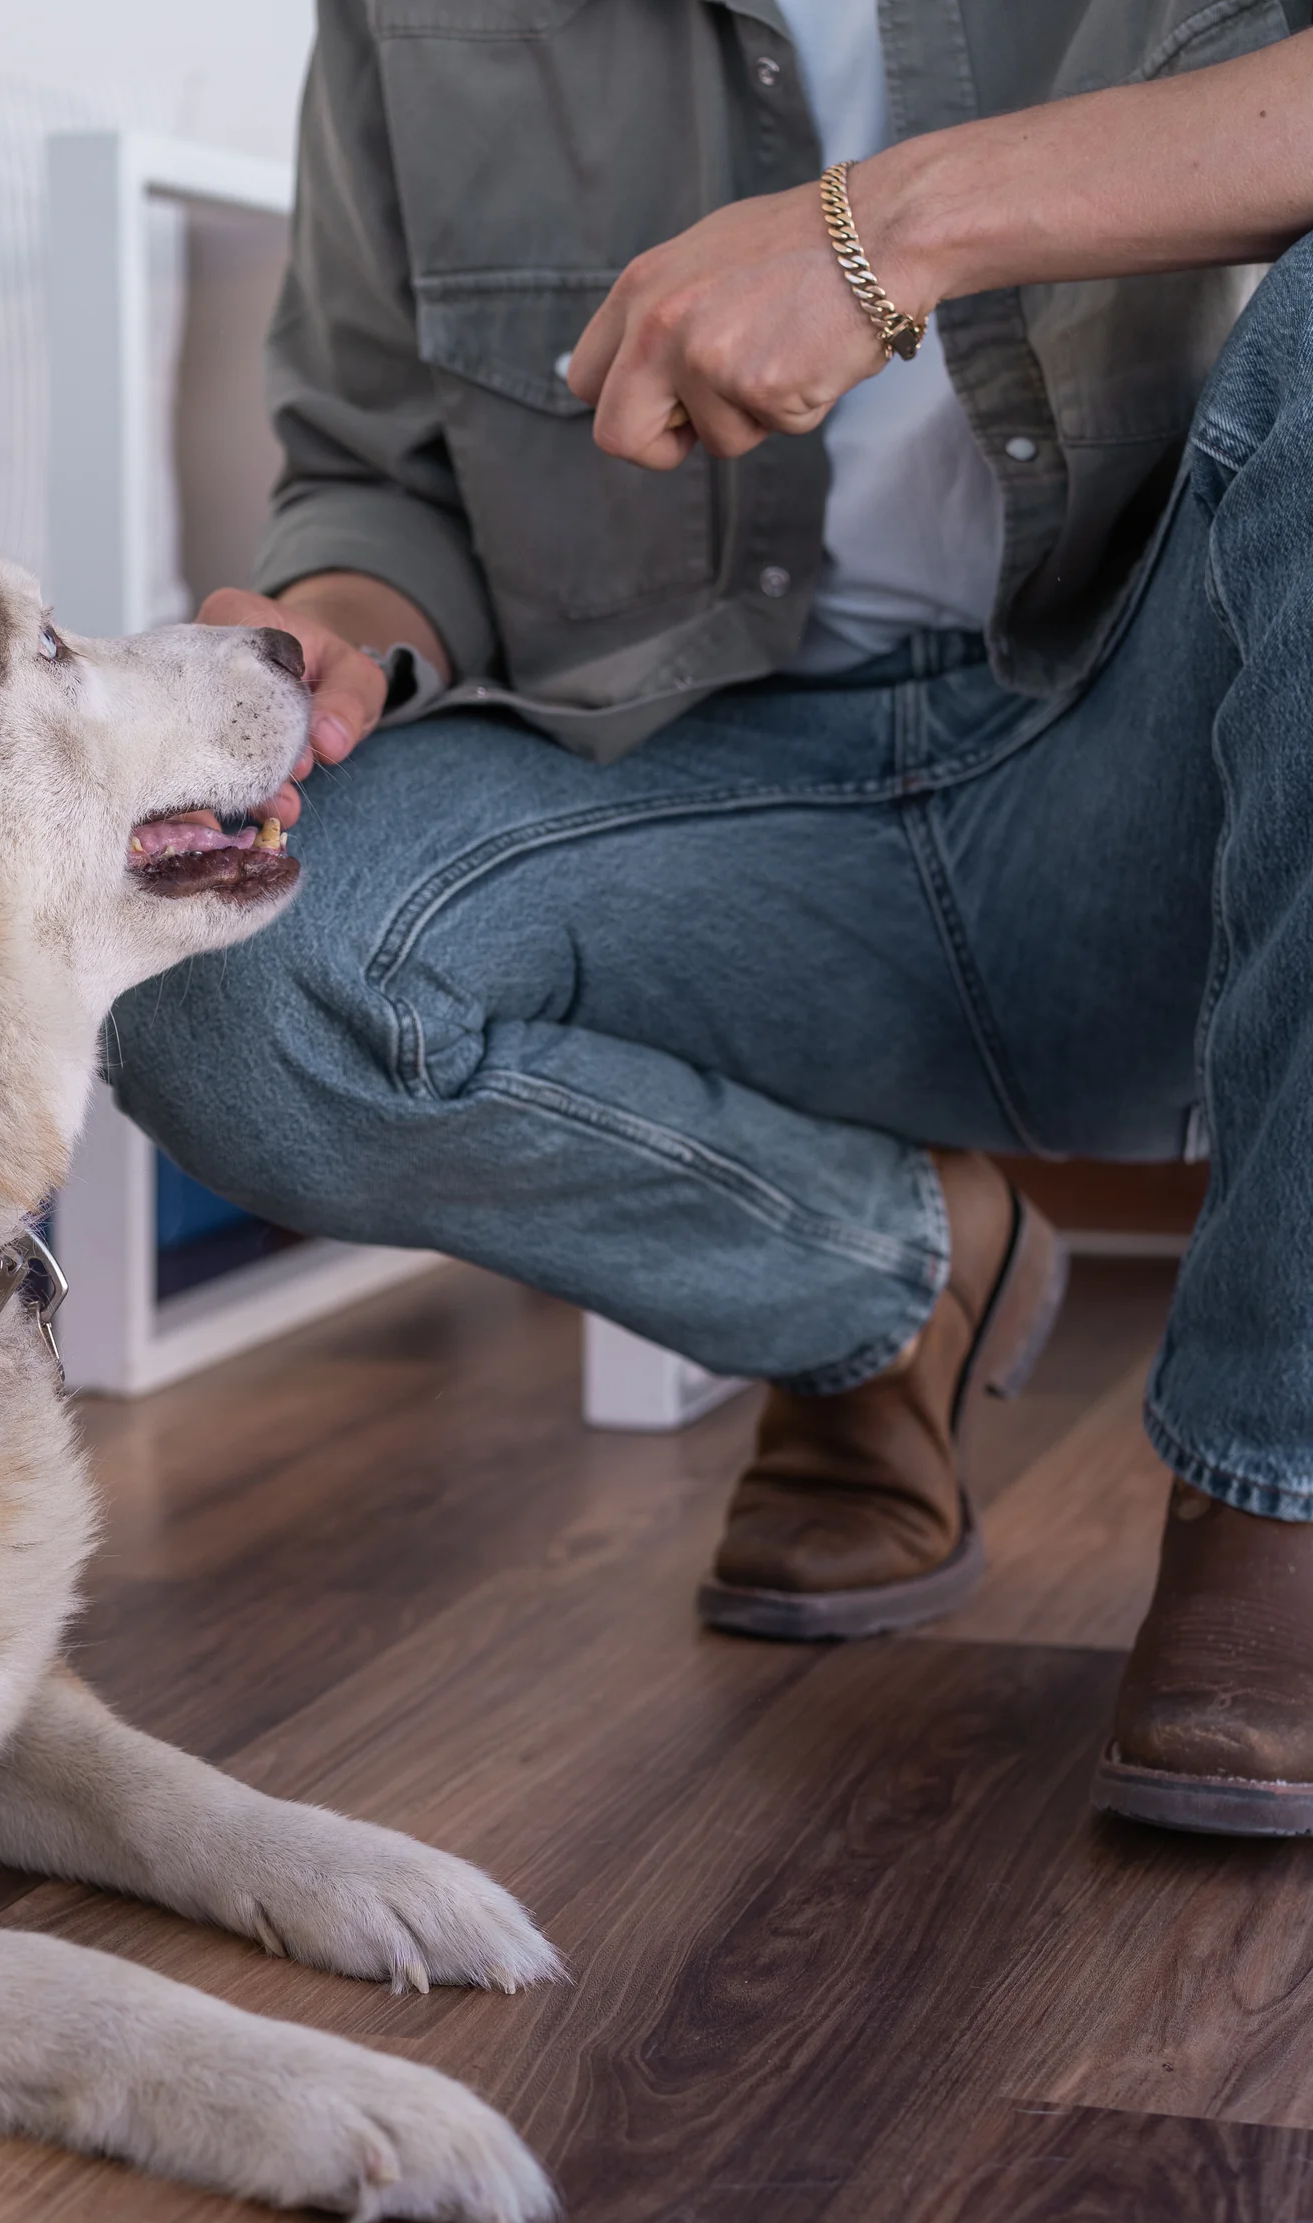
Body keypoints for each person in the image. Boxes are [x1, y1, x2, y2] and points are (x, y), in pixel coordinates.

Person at [111, 0, 1313, 1839]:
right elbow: (370, 473)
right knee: (228, 986)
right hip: (707, 809)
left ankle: (1278, 1489)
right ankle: (888, 1285)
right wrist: (335, 630)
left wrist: (891, 228)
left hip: (1168, 785)